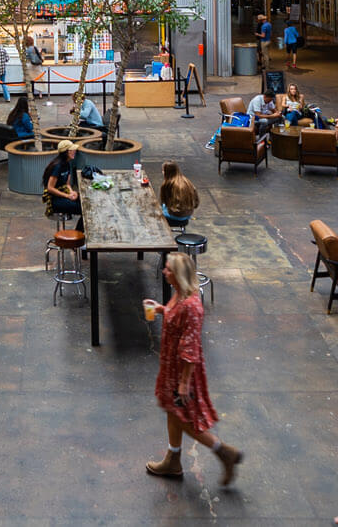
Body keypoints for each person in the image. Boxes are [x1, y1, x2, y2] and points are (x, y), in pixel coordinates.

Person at [144, 252, 244, 487]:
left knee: (185, 419)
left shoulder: (191, 306)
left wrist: (183, 383)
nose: (163, 271)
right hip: (172, 367)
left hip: (182, 372)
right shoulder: (180, 295)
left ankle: (223, 452)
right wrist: (161, 309)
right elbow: (177, 319)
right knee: (172, 411)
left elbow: (189, 348)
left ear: (177, 275)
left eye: (167, 269)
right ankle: (173, 459)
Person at [43, 140, 83, 229]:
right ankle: (78, 236)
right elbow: (50, 188)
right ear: (66, 152)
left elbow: (67, 184)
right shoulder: (58, 166)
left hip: (63, 194)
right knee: (84, 210)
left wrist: (72, 192)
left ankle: (79, 236)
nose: (74, 152)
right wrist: (67, 196)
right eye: (72, 150)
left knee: (84, 201)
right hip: (55, 200)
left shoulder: (67, 164)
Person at [159, 161, 199, 230]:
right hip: (187, 215)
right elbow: (196, 202)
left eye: (163, 171)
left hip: (174, 216)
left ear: (166, 172)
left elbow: (163, 201)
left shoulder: (167, 184)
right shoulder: (186, 181)